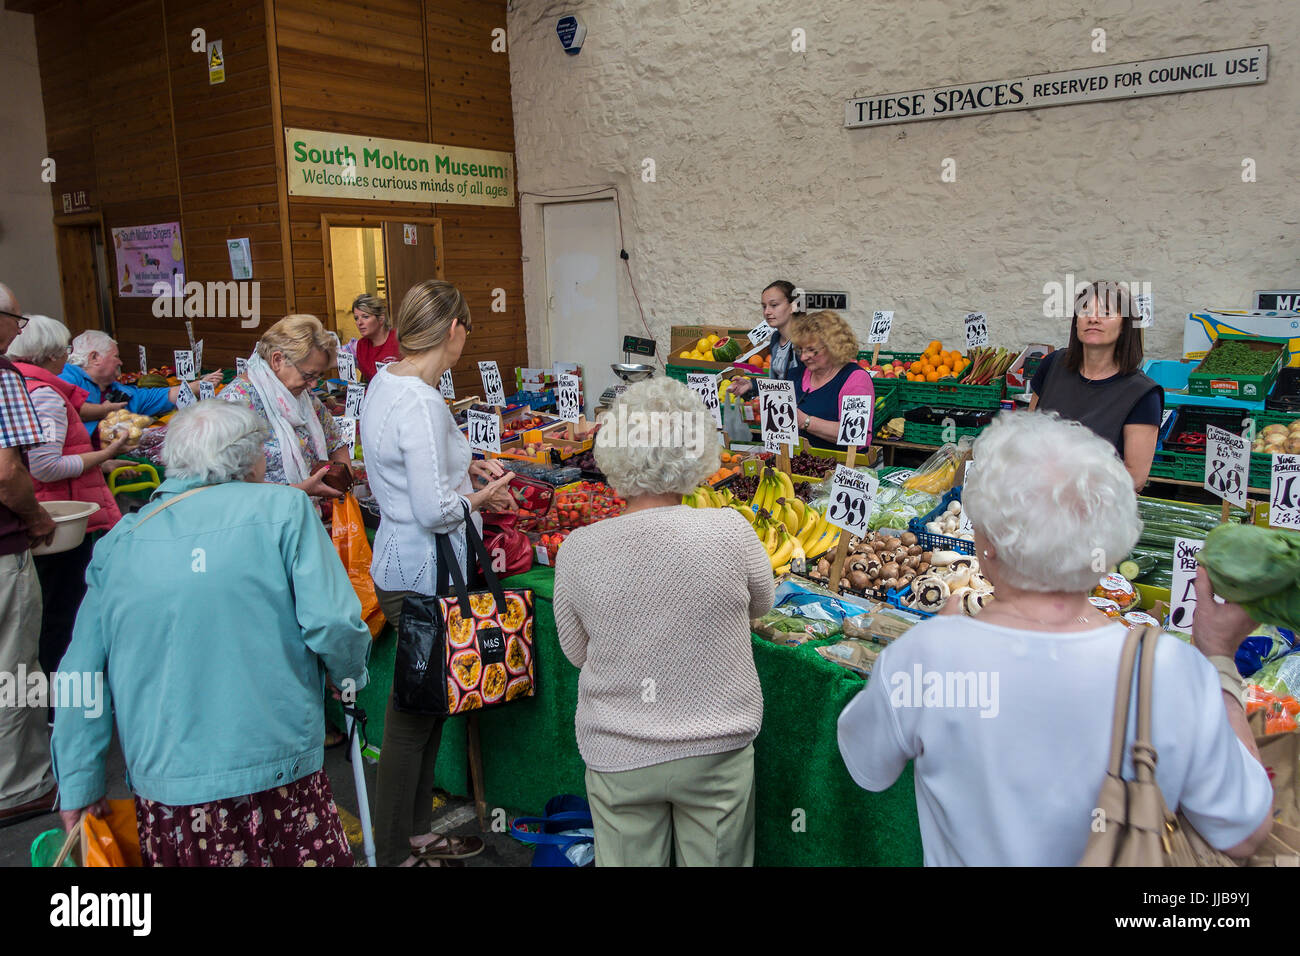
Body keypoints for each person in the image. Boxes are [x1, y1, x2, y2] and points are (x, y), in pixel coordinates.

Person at [837, 411, 1274, 866]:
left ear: (985, 541)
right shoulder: (1172, 669)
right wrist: (1219, 660)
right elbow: (1242, 830)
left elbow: (867, 767)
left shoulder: (923, 657)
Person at [51, 401, 372, 866]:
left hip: (170, 783)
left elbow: (81, 673)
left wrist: (79, 781)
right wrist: (350, 676)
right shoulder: (284, 508)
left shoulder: (119, 541)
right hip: (277, 762)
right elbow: (334, 623)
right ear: (248, 458)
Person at [554, 376, 775, 866]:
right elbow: (762, 602)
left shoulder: (578, 550)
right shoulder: (730, 530)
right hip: (715, 749)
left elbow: (575, 652)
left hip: (619, 753)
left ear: (612, 452)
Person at [362, 279, 515, 868]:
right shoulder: (422, 403)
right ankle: (397, 849)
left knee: (425, 708)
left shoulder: (389, 381)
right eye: (467, 331)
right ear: (453, 329)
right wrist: (485, 495)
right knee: (411, 715)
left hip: (401, 564)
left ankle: (416, 833)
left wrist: (466, 467)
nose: (465, 343)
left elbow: (413, 470)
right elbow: (433, 511)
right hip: (423, 572)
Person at [7, 315, 136, 681]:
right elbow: (46, 466)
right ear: (50, 354)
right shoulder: (46, 394)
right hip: (58, 518)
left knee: (50, 610)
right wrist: (107, 453)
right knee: (63, 615)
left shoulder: (22, 385)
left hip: (46, 510)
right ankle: (61, 703)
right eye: (64, 348)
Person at [0, 284, 59, 828]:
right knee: (14, 666)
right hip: (3, 544)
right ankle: (19, 788)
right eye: (14, 318)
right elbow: (10, 472)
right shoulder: (2, 377)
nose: (19, 329)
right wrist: (36, 518)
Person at [1029, 280, 1163, 490]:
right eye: (1085, 310)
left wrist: (1066, 485)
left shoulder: (1142, 395)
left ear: (1125, 327)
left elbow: (1134, 478)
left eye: (1106, 312)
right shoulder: (1052, 365)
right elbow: (1027, 434)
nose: (1093, 318)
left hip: (1095, 511)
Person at [220, 314, 352, 499]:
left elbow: (336, 442)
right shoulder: (234, 403)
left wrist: (346, 482)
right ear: (277, 360)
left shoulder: (303, 397)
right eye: (308, 375)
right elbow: (228, 485)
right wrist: (299, 491)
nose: (313, 385)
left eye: (318, 376)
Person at [60, 330, 222, 439]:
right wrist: (104, 410)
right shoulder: (65, 377)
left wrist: (197, 386)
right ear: (95, 357)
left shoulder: (121, 391)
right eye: (115, 356)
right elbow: (66, 408)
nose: (120, 362)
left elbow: (160, 396)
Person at [788, 310, 875, 450]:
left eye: (811, 350)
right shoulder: (795, 375)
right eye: (800, 350)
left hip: (840, 468)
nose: (803, 357)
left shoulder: (855, 379)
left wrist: (805, 421)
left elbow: (856, 435)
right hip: (796, 465)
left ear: (833, 346)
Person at [727, 280, 803, 399]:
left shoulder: (804, 341)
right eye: (764, 306)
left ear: (793, 306)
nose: (767, 312)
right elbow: (778, 384)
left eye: (774, 305)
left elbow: (800, 388)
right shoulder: (775, 339)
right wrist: (751, 385)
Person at [352, 294, 399, 383]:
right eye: (356, 318)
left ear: (381, 318)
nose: (359, 322)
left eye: (365, 317)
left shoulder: (398, 339)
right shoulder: (361, 345)